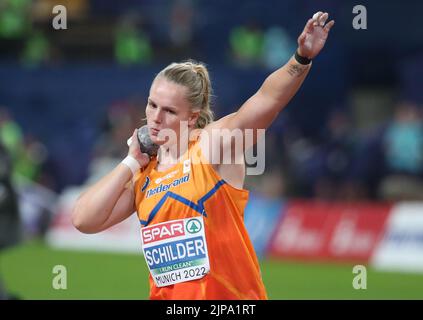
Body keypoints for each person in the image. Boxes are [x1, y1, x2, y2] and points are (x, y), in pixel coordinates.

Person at [72, 11, 334, 300]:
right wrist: (131, 161)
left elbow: (267, 100)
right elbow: (84, 219)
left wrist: (301, 58)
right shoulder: (145, 171)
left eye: (169, 111)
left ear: (193, 116)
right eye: (151, 105)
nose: (155, 118)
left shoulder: (213, 145)